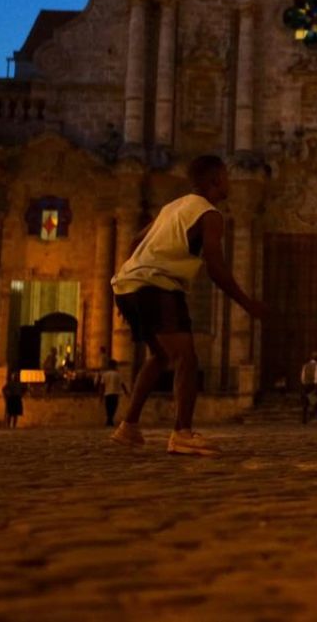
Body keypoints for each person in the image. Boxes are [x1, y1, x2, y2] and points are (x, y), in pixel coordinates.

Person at [110, 154, 266, 456]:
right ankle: (181, 433)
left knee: (158, 356)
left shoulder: (173, 207)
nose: (229, 183)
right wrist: (248, 304)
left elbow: (134, 241)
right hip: (158, 286)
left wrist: (130, 279)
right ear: (215, 180)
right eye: (226, 177)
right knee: (187, 359)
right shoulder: (209, 215)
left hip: (129, 284)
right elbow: (216, 269)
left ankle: (128, 426)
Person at [99, 359, 127, 428]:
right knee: (113, 407)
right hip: (115, 393)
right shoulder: (117, 375)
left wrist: (101, 395)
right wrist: (126, 392)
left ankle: (109, 420)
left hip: (107, 393)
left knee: (108, 407)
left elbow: (102, 385)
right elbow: (122, 384)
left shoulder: (105, 374)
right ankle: (110, 420)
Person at [300, 350, 317, 425]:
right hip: (313, 386)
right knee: (316, 403)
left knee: (306, 403)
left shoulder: (305, 365)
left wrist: (304, 384)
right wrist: (316, 388)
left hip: (306, 386)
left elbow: (302, 378)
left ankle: (304, 419)